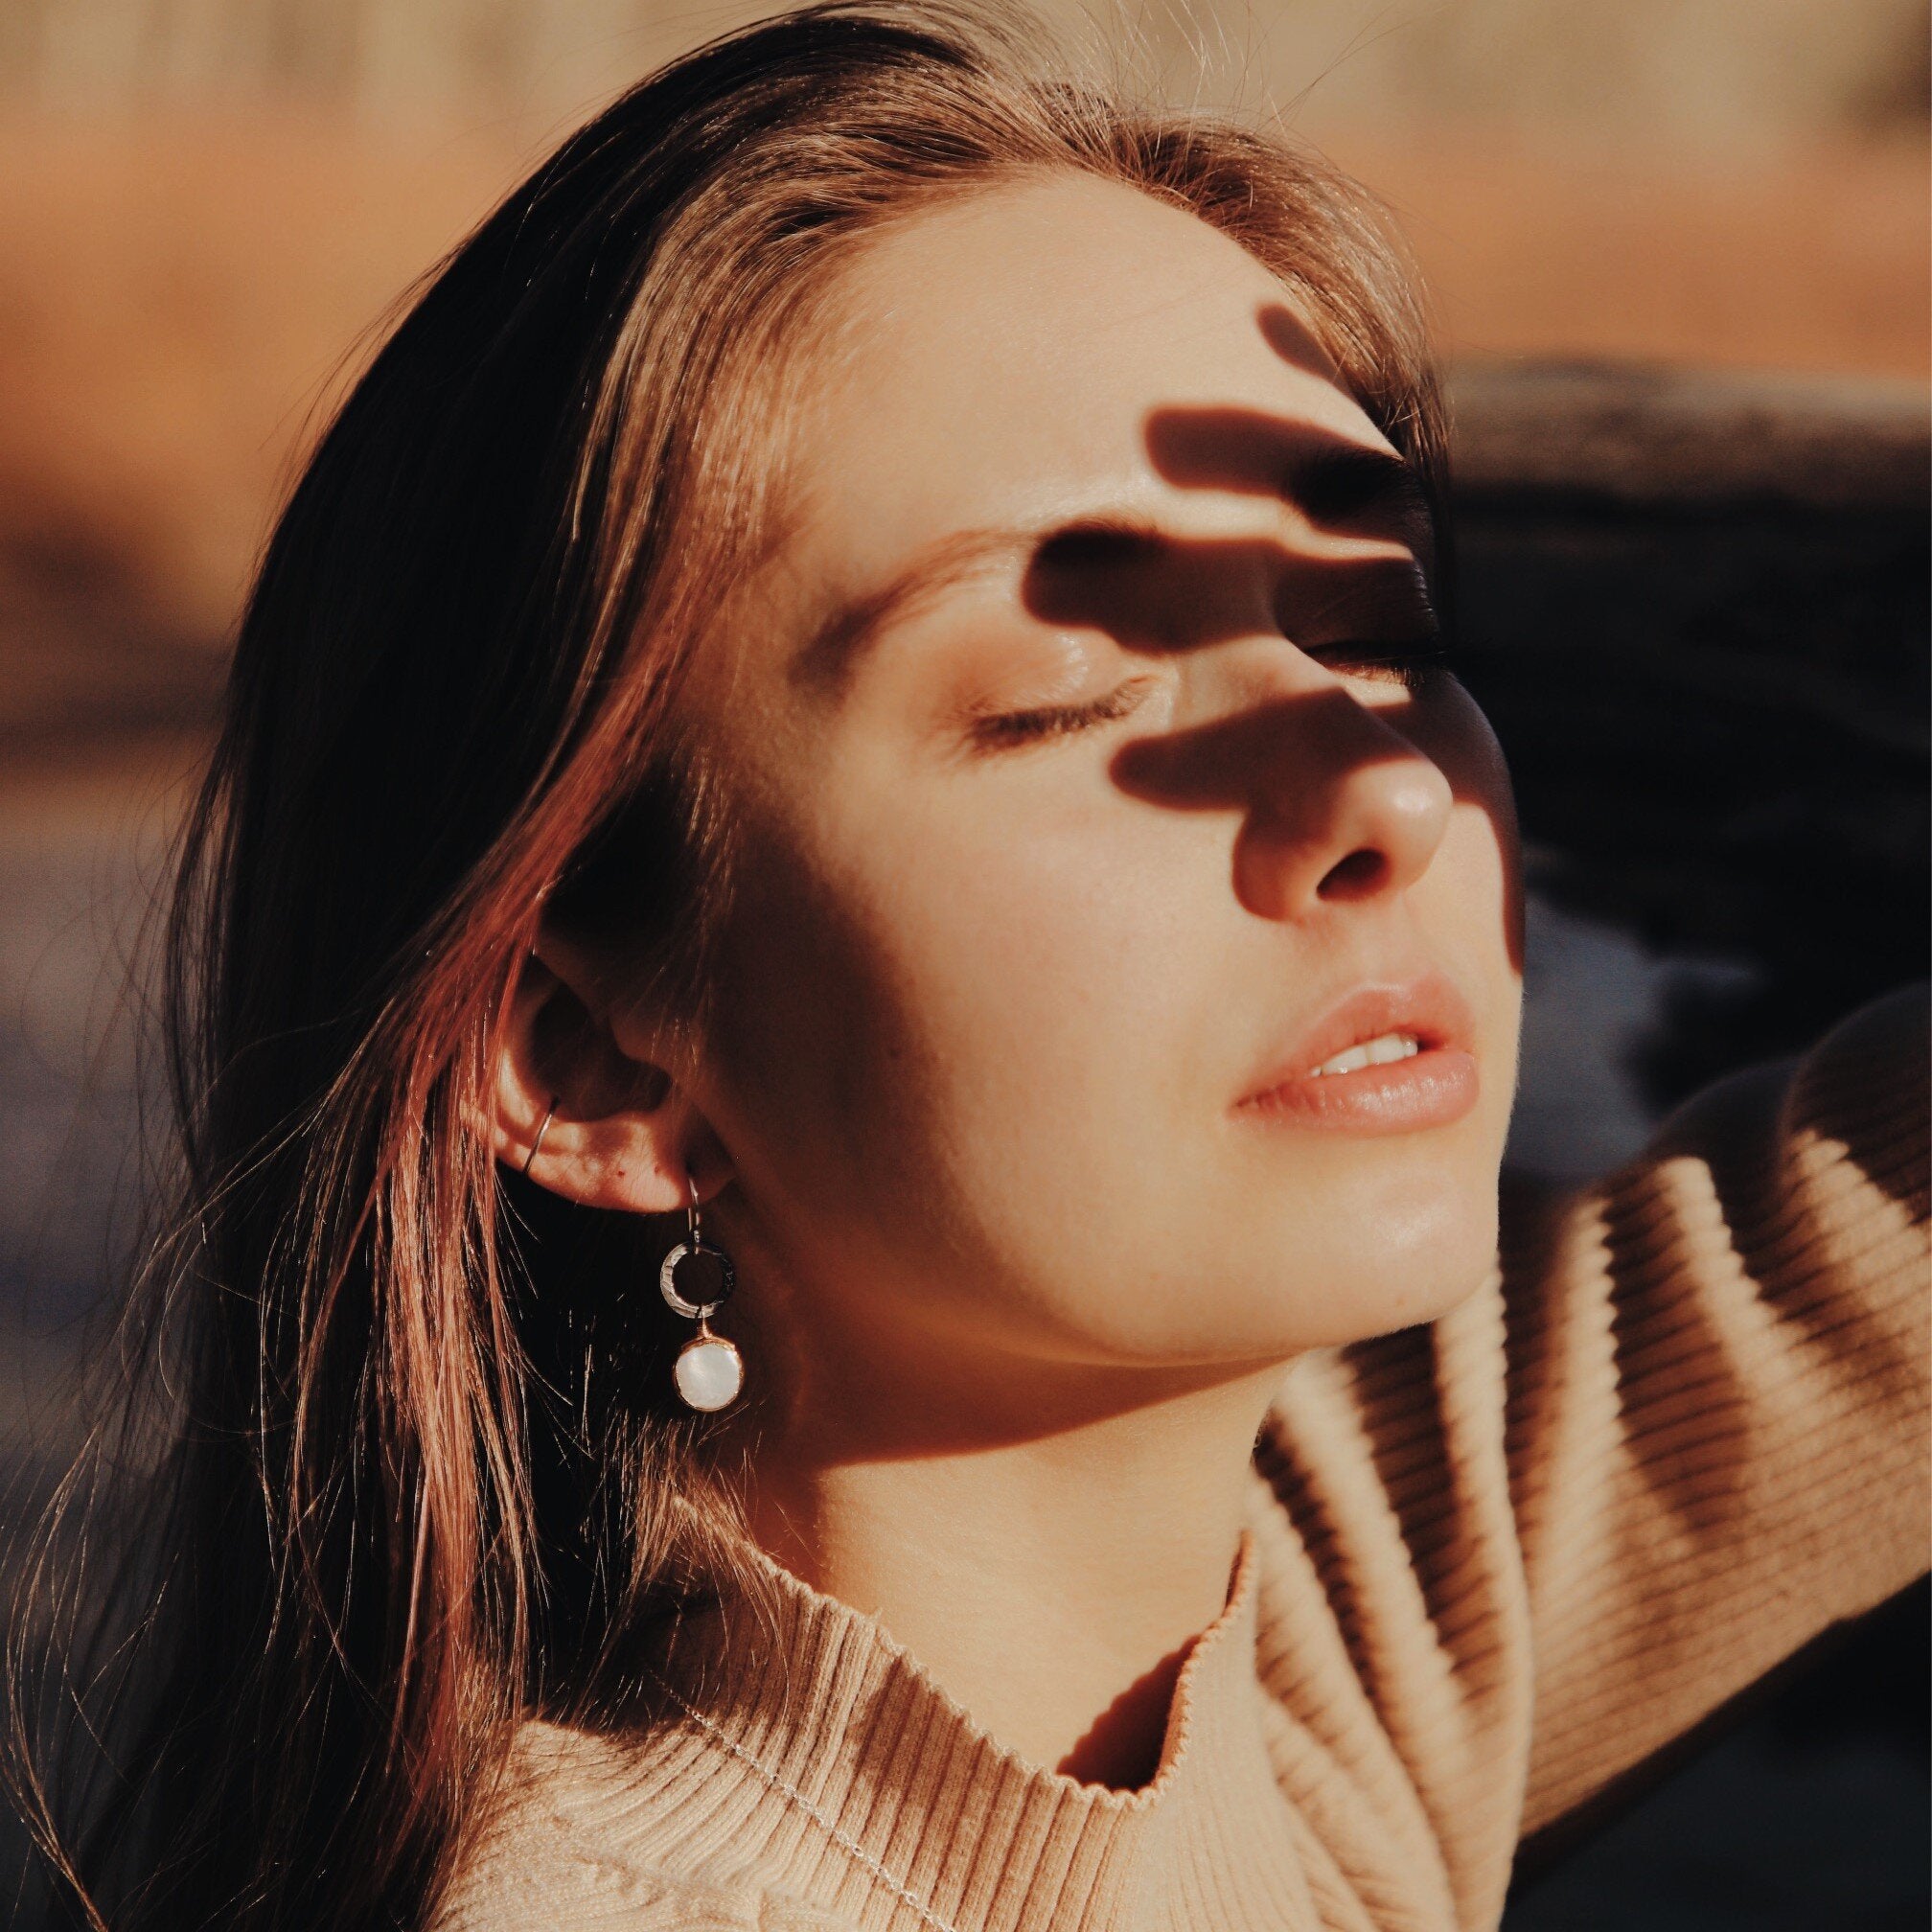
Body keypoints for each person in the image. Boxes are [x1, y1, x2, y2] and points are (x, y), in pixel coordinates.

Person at [12, 6, 1925, 1929]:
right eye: (1067, 700)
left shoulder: (1296, 1682)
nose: (1383, 784)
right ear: (593, 1057)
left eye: (1377, 627)